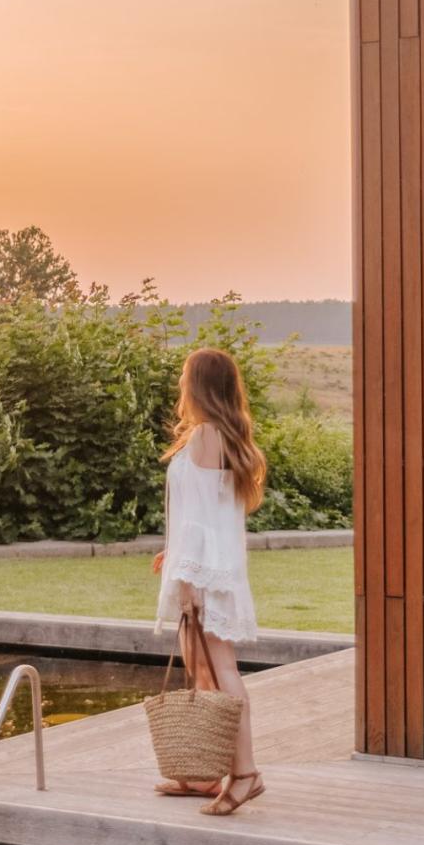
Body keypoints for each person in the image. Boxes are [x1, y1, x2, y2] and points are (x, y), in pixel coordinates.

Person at [152, 346, 267, 816]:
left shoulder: (204, 435)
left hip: (204, 574)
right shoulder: (226, 436)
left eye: (185, 377)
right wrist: (173, 552)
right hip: (207, 566)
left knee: (221, 669)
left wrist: (189, 580)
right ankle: (207, 771)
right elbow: (208, 512)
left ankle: (246, 774)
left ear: (198, 385)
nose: (181, 385)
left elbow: (200, 521)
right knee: (205, 667)